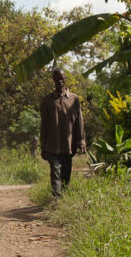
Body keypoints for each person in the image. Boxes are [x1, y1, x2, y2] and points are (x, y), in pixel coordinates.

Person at [39, 68, 86, 197]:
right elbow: (44, 126)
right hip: (52, 145)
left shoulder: (74, 99)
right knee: (55, 173)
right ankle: (57, 201)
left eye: (62, 78)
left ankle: (63, 200)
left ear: (65, 79)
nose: (60, 81)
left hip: (68, 145)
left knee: (66, 175)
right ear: (53, 80)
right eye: (57, 78)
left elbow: (79, 121)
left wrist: (81, 140)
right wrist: (43, 147)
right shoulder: (47, 101)